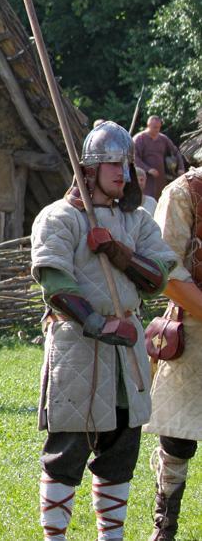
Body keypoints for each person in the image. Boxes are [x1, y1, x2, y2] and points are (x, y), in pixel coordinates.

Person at [32, 120, 175, 541]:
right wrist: (97, 323)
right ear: (89, 169)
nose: (123, 172)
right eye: (113, 163)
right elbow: (55, 284)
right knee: (65, 456)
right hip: (78, 349)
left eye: (126, 164)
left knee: (120, 455)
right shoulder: (58, 217)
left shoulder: (137, 220)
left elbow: (159, 275)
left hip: (126, 357)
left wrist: (117, 251)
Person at [143, 166, 202, 539]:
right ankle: (165, 526)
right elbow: (165, 268)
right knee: (178, 437)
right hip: (194, 325)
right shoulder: (185, 193)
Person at [135, 116, 186, 201]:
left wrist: (181, 168)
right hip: (145, 179)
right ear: (148, 125)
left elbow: (176, 152)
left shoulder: (163, 139)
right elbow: (134, 157)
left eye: (159, 127)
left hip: (161, 179)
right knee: (147, 201)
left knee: (161, 200)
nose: (157, 130)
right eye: (155, 127)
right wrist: (148, 169)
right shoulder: (140, 139)